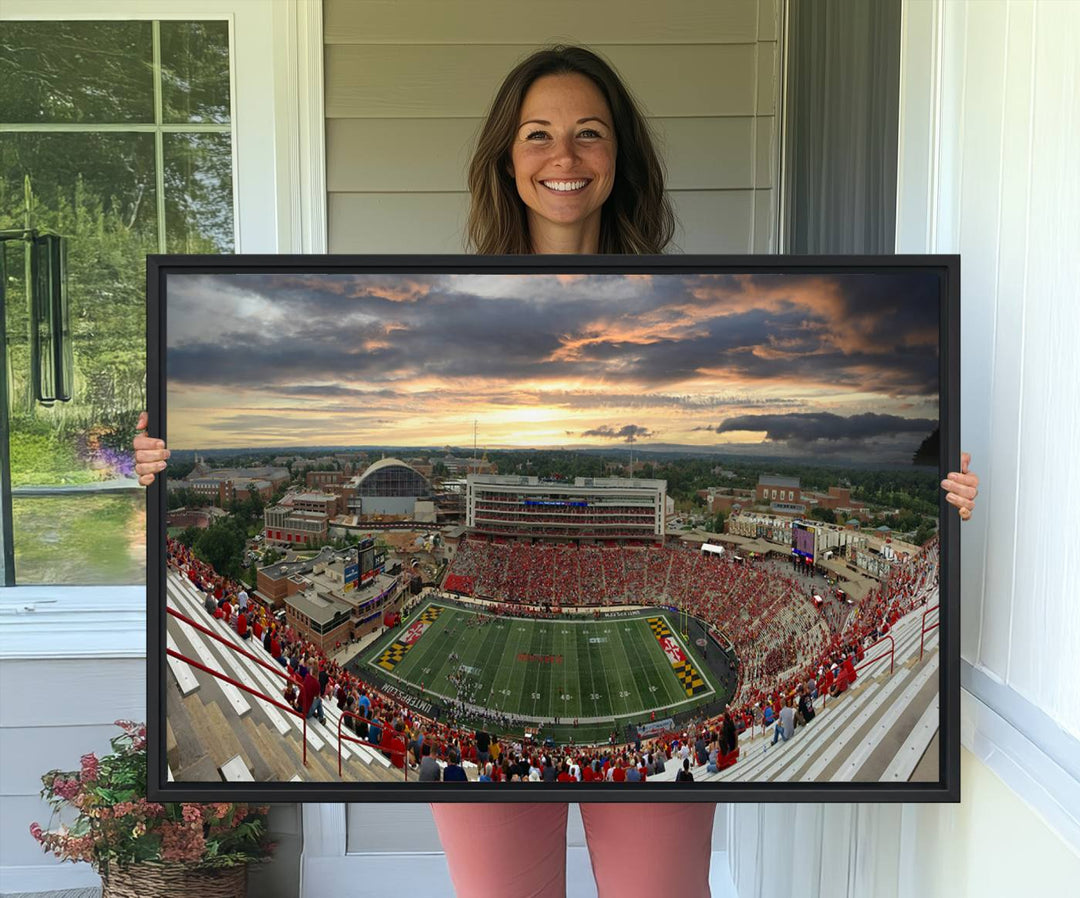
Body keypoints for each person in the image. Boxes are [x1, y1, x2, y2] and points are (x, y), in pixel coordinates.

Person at [134, 42, 980, 898]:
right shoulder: (439, 299)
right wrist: (160, 467)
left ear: (620, 158)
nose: (563, 157)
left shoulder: (677, 304)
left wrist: (944, 503)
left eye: (589, 133)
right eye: (537, 134)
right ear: (507, 158)